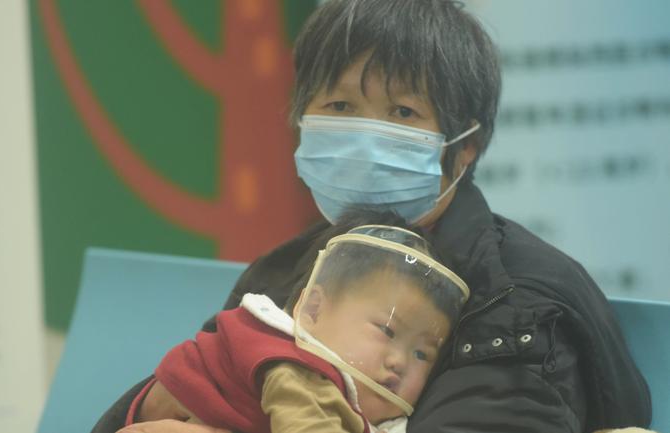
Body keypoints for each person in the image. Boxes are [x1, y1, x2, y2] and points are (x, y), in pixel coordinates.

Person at [98, 0, 652, 432]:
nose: (364, 135)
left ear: (465, 148)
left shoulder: (516, 303)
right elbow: (179, 397)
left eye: (403, 112)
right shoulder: (281, 272)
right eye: (339, 107)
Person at [120, 212, 470, 433]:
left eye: (422, 354)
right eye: (387, 330)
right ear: (314, 310)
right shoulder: (292, 362)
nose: (400, 360)